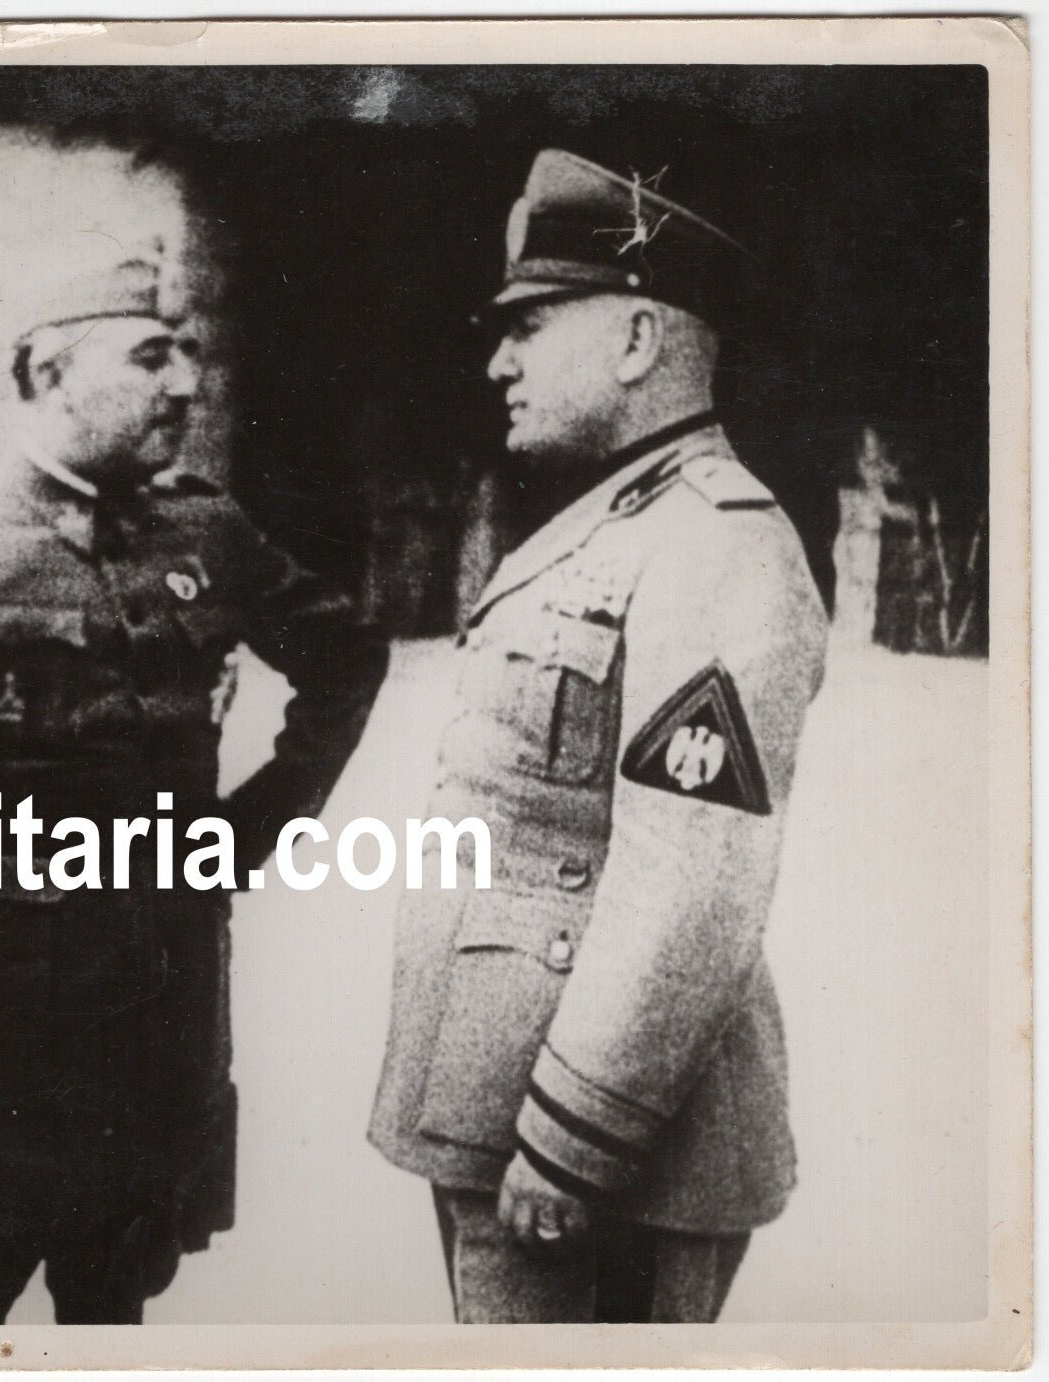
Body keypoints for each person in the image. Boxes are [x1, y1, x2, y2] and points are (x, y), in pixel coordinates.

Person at [0, 251, 389, 1324]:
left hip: (155, 1020)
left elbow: (345, 655)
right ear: (46, 373)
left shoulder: (209, 531)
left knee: (114, 1303)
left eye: (188, 357)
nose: (185, 384)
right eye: (150, 355)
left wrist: (249, 827)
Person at [368, 149, 829, 1323]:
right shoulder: (609, 519)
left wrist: (577, 1138)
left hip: (603, 1153)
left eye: (530, 325)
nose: (495, 361)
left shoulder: (716, 541)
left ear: (634, 342)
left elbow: (694, 877)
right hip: (505, 1101)